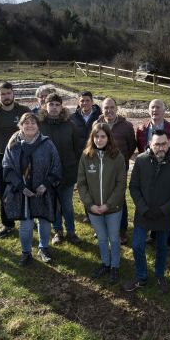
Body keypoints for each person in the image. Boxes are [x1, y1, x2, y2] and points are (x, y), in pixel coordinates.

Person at [124, 130, 170, 294]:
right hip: (143, 213)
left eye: (163, 144)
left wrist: (164, 210)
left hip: (165, 215)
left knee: (162, 247)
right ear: (150, 145)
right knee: (137, 245)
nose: (160, 148)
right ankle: (141, 276)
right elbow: (133, 187)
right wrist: (143, 207)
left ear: (169, 144)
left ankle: (160, 274)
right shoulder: (141, 161)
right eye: (156, 144)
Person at [2, 113, 62, 266]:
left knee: (44, 220)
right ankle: (26, 252)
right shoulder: (13, 145)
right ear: (20, 126)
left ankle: (43, 248)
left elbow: (56, 166)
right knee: (26, 224)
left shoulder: (47, 144)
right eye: (26, 123)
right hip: (23, 192)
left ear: (38, 126)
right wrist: (21, 187)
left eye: (33, 123)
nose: (30, 126)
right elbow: (7, 167)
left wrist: (46, 184)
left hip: (43, 190)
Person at [77, 123, 127, 284]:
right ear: (92, 137)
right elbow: (81, 183)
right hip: (93, 209)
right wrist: (90, 205)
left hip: (113, 209)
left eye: (103, 136)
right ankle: (105, 263)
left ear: (108, 138)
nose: (99, 140)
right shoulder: (86, 156)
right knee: (102, 238)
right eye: (96, 136)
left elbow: (121, 185)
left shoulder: (117, 157)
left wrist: (108, 205)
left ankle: (115, 266)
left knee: (113, 238)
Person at [136, 99, 170, 247]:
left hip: (169, 170)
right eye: (152, 107)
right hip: (149, 169)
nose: (155, 110)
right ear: (148, 110)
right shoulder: (141, 129)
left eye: (158, 107)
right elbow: (140, 149)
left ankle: (168, 236)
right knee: (151, 201)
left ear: (164, 110)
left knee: (167, 205)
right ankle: (153, 234)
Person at [0, 81, 30, 237]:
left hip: (24, 158)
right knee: (3, 193)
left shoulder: (24, 111)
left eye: (8, 93)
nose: (6, 96)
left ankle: (31, 219)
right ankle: (7, 224)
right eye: (2, 94)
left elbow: (33, 129)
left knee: (27, 189)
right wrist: (2, 146)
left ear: (13, 93)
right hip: (3, 158)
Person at [38, 93, 82, 244]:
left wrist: (74, 169)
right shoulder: (40, 125)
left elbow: (77, 149)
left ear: (61, 106)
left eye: (57, 105)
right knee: (54, 204)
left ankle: (71, 231)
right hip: (48, 174)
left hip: (67, 172)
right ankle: (58, 231)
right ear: (45, 106)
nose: (54, 108)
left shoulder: (70, 125)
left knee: (67, 205)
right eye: (51, 104)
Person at [94, 97, 137, 245]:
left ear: (117, 108)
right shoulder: (97, 124)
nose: (109, 110)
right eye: (106, 108)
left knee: (119, 199)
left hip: (119, 170)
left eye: (112, 107)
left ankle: (121, 230)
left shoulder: (126, 126)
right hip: (101, 169)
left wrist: (121, 160)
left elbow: (131, 146)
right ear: (102, 109)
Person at [70, 91, 102, 224]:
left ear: (92, 101)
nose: (84, 103)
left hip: (97, 156)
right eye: (82, 101)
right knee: (84, 186)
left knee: (97, 185)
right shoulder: (73, 118)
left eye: (87, 100)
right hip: (80, 157)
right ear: (78, 102)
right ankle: (88, 213)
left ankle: (100, 211)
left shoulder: (99, 116)